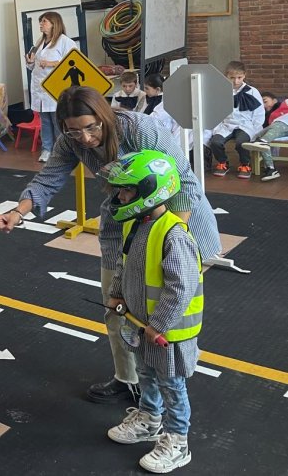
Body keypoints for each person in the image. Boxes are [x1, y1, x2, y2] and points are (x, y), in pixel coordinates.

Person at [0, 86, 220, 405]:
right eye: (73, 131)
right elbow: (47, 179)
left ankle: (167, 395)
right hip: (123, 221)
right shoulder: (71, 142)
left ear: (103, 116)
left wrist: (167, 238)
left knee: (165, 312)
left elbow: (184, 183)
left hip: (177, 220)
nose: (85, 138)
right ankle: (129, 381)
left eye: (91, 127)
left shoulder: (138, 128)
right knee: (116, 307)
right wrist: (17, 212)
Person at [104, 150, 201, 474]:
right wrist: (116, 293)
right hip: (141, 326)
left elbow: (180, 287)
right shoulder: (136, 226)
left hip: (167, 333)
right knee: (146, 375)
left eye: (127, 190)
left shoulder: (173, 233)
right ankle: (149, 419)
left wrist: (158, 324)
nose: (120, 196)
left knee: (172, 385)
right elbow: (124, 264)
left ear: (150, 189)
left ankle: (178, 441)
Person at [25, 11, 78, 163]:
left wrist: (51, 63)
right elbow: (33, 67)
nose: (41, 24)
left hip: (56, 88)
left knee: (57, 121)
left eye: (44, 21)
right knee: (45, 122)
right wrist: (30, 61)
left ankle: (61, 151)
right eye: (40, 21)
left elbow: (74, 62)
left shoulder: (65, 42)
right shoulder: (39, 42)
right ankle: (47, 149)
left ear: (54, 24)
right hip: (40, 89)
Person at [207, 60, 264, 179]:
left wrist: (256, 129)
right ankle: (223, 162)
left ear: (244, 75)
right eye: (232, 78)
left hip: (245, 125)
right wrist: (216, 127)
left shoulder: (252, 91)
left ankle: (245, 164)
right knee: (215, 142)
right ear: (226, 76)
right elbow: (216, 111)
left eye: (239, 77)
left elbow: (259, 113)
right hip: (226, 125)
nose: (236, 81)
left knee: (241, 142)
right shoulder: (221, 91)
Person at [243, 89, 288, 181]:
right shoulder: (268, 113)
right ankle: (271, 168)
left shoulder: (283, 104)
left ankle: (263, 141)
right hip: (276, 127)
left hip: (283, 124)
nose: (263, 105)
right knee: (258, 136)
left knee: (264, 138)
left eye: (265, 101)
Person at [141, 74, 181, 142]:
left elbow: (155, 117)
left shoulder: (166, 101)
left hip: (162, 135)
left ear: (158, 89)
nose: (144, 90)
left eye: (147, 88)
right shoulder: (149, 98)